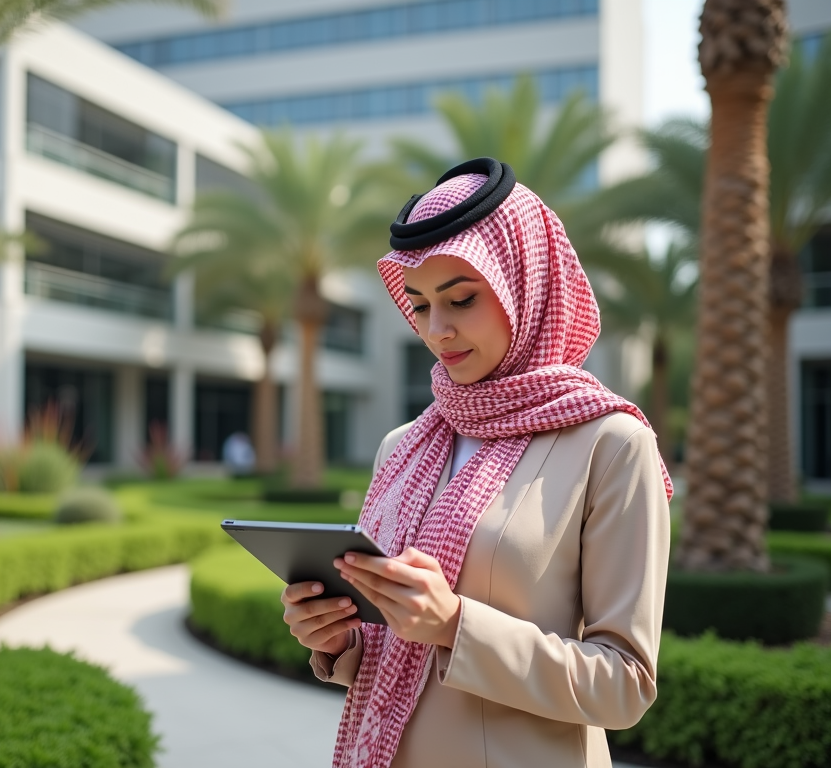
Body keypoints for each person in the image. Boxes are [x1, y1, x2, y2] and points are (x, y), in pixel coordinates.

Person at [280, 158, 672, 768]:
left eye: (461, 299)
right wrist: (337, 638)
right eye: (418, 306)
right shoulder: (404, 446)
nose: (438, 331)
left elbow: (623, 686)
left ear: (525, 286)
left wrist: (456, 625)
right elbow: (388, 645)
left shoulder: (612, 444)